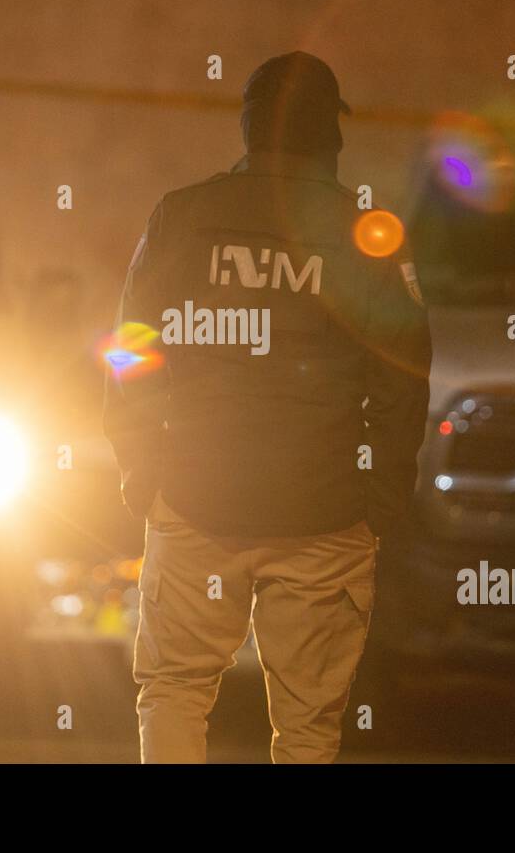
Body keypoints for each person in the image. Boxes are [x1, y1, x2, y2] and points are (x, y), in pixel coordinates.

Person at [104, 52, 431, 763]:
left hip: (196, 501)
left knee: (174, 690)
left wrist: (142, 467)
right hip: (324, 514)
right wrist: (381, 497)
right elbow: (405, 377)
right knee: (309, 727)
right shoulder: (367, 236)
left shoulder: (181, 217)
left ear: (249, 130)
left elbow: (129, 347)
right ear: (332, 137)